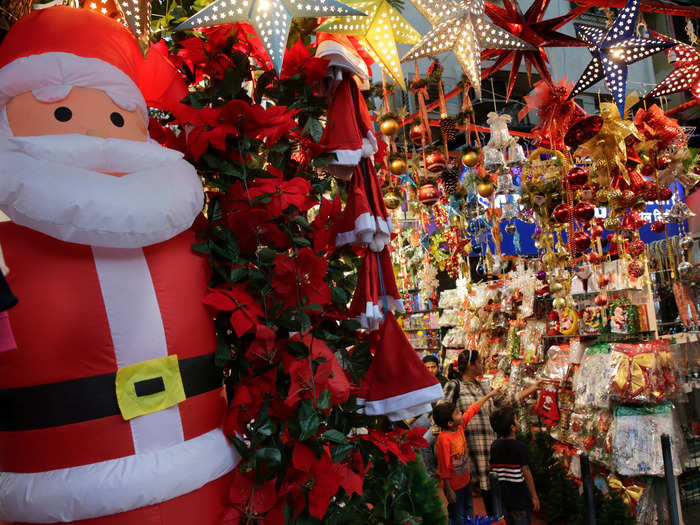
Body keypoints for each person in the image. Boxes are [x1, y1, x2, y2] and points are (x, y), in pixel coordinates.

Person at [440, 349, 540, 516]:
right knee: (470, 503)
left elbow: (506, 403)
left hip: (492, 450)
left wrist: (532, 389)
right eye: (480, 362)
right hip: (469, 452)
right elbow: (441, 414)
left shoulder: (485, 386)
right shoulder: (454, 386)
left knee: (496, 496)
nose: (483, 365)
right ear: (471, 365)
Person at [434, 388, 500, 525]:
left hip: (465, 480)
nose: (461, 414)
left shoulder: (459, 427)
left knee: (469, 509)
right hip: (454, 486)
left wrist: (489, 395)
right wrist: (448, 489)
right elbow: (444, 467)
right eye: (458, 413)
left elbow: (473, 409)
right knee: (458, 514)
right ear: (450, 423)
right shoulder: (444, 440)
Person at [489, 405, 540, 525]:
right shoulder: (520, 447)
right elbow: (526, 472)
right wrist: (534, 496)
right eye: (516, 419)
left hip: (503, 498)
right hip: (520, 500)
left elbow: (491, 469)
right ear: (513, 427)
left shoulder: (494, 446)